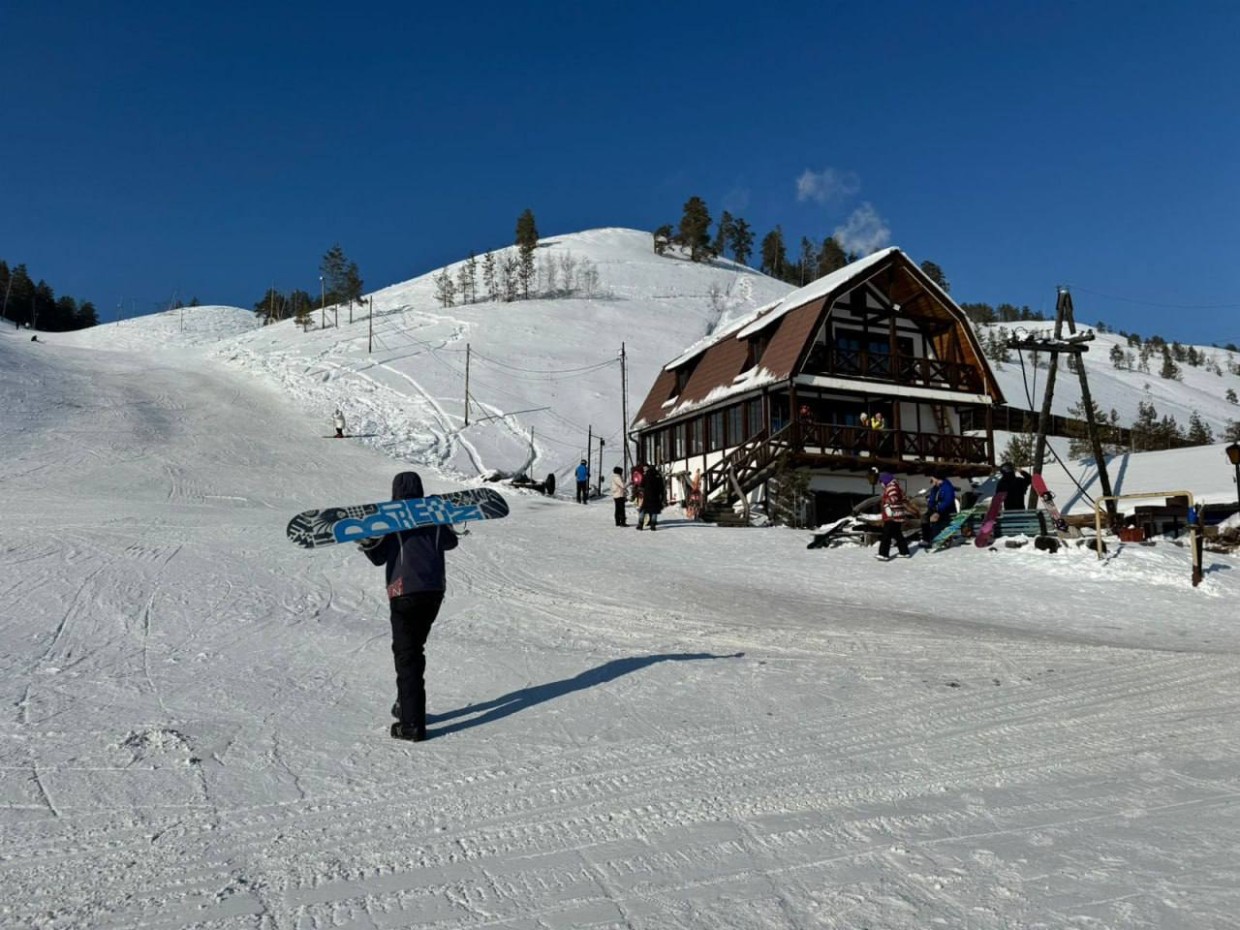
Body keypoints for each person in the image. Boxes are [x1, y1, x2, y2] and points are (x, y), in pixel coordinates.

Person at [358, 471, 459, 742]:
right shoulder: (434, 515)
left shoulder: (393, 519)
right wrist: (444, 517)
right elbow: (451, 542)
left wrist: (367, 542)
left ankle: (412, 724)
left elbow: (379, 557)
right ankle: (407, 705)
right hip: (434, 591)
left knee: (407, 656)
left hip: (404, 592)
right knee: (414, 650)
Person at [875, 471, 911, 560]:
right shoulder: (895, 486)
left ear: (886, 481)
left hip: (892, 515)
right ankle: (904, 552)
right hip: (897, 515)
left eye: (881, 482)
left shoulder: (891, 487)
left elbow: (894, 497)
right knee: (897, 534)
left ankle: (883, 554)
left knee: (886, 535)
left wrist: (888, 501)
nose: (881, 485)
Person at [921, 471, 957, 544]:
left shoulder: (947, 487)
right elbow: (932, 499)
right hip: (937, 509)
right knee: (925, 517)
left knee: (935, 521)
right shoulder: (935, 488)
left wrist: (937, 509)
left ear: (937, 479)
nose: (931, 481)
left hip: (947, 510)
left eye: (932, 479)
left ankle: (936, 539)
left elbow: (948, 501)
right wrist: (931, 508)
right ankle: (926, 539)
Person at [637, 464, 665, 531]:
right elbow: (661, 487)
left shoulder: (646, 475)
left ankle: (640, 525)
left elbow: (642, 485)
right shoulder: (658, 476)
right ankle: (653, 525)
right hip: (655, 496)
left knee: (643, 510)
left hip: (647, 496)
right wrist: (661, 495)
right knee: (654, 510)